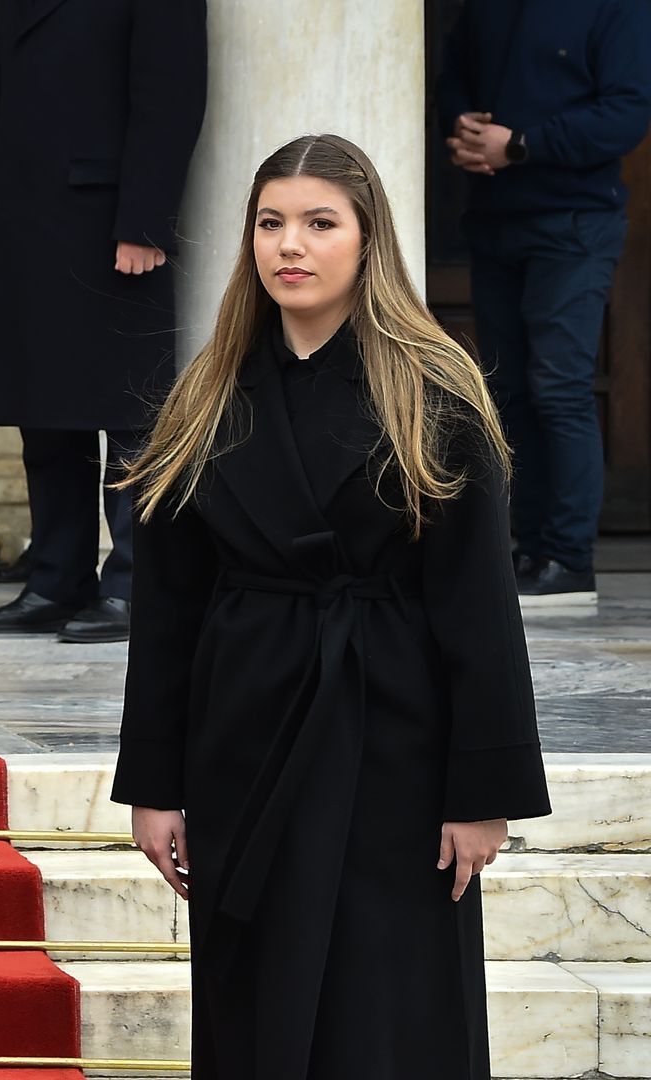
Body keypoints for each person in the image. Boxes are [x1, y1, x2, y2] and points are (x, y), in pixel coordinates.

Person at [113, 134, 552, 1079]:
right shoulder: (205, 396)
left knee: (384, 1005)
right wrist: (156, 783)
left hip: (394, 739)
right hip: (245, 732)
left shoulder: (434, 390)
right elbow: (167, 611)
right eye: (271, 223)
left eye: (320, 223)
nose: (290, 246)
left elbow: (479, 604)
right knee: (256, 993)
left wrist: (485, 794)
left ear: (368, 240)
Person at [0, 0, 207, 643]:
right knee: (43, 413)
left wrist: (145, 221)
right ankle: (55, 579)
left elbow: (171, 94)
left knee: (128, 412)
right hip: (21, 219)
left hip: (108, 221)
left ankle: (132, 583)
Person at [438, 0, 651, 603]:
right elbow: (452, 75)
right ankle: (528, 550)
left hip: (576, 222)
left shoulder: (619, 8)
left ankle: (568, 558)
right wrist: (462, 130)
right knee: (507, 390)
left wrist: (522, 144)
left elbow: (627, 114)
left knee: (558, 386)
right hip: (494, 219)